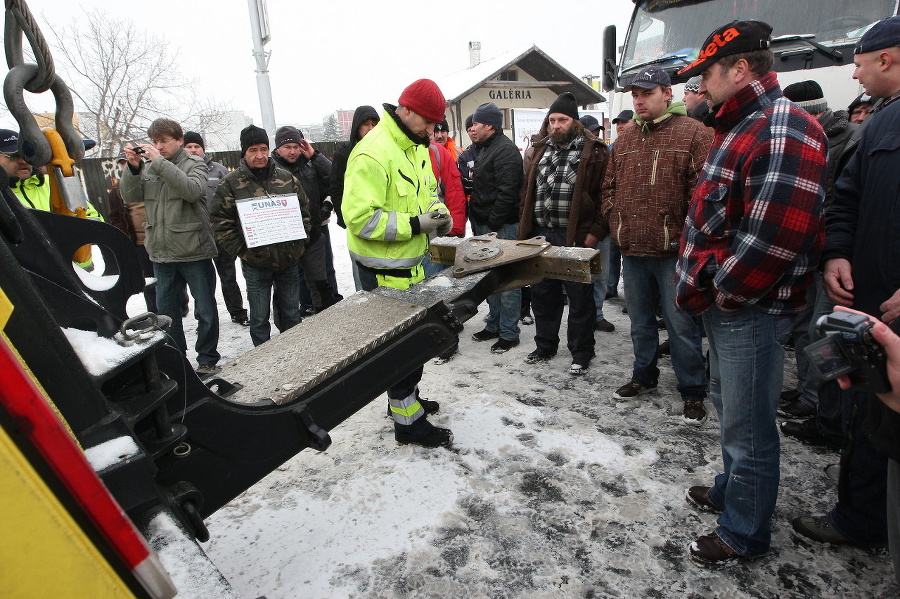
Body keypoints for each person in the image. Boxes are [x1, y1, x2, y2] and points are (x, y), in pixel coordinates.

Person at [675, 20, 827, 565]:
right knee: (731, 410)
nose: (699, 87)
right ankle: (731, 487)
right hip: (728, 308)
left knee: (750, 427)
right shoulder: (741, 126)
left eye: (706, 74)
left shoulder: (781, 126)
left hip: (748, 309)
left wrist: (724, 294)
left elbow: (776, 237)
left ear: (740, 69)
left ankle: (744, 530)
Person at [795, 15, 900, 553]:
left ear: (886, 59)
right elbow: (848, 195)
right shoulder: (880, 121)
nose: (853, 75)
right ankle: (861, 516)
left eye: (858, 64)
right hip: (867, 301)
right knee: (868, 413)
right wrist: (836, 252)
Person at [342, 79, 453, 448]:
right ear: (405, 110)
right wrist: (415, 224)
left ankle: (407, 403)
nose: (433, 131)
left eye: (437, 124)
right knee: (400, 354)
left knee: (413, 346)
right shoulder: (372, 153)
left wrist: (438, 214)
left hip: (411, 267)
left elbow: (427, 193)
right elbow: (360, 219)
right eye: (429, 122)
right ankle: (409, 425)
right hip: (383, 276)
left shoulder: (415, 146)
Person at [601, 65, 711, 426]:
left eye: (646, 93)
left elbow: (704, 194)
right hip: (632, 249)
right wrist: (615, 218)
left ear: (668, 93)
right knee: (640, 322)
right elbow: (608, 187)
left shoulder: (693, 133)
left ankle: (693, 389)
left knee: (681, 326)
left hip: (673, 253)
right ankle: (643, 375)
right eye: (635, 94)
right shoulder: (627, 138)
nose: (638, 100)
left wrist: (682, 233)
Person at [777, 81, 862, 446]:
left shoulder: (844, 139)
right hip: (811, 249)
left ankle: (825, 412)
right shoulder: (817, 136)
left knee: (824, 331)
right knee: (804, 326)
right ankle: (808, 394)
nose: (855, 72)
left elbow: (836, 200)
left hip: (834, 253)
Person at [121, 118, 221, 374]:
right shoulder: (151, 168)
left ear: (179, 141)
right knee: (166, 313)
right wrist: (133, 168)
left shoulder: (194, 162)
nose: (159, 146)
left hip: (193, 249)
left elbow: (192, 191)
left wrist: (159, 162)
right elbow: (131, 197)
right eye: (155, 141)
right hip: (162, 253)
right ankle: (177, 360)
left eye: (164, 141)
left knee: (205, 309)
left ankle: (207, 358)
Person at [518, 93, 609, 375]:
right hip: (542, 236)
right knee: (543, 295)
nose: (556, 125)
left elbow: (606, 196)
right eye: (552, 120)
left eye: (563, 120)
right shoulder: (538, 150)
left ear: (575, 122)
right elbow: (527, 195)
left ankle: (581, 353)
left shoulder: (594, 152)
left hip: (576, 238)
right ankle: (545, 345)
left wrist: (594, 234)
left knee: (580, 299)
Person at [210, 125, 310, 347]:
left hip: (288, 261)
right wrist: (243, 252)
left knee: (292, 314)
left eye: (264, 149)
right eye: (253, 150)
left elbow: (304, 212)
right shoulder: (231, 183)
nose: (260, 155)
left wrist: (298, 246)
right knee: (258, 318)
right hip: (255, 263)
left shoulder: (286, 178)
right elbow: (220, 221)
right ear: (244, 152)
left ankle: (294, 354)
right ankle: (262, 357)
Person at [468, 102, 524, 354]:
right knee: (489, 279)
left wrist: (492, 223)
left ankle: (509, 332)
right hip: (486, 226)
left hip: (501, 227)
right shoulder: (487, 148)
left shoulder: (505, 151)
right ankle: (494, 324)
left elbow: (508, 192)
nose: (472, 128)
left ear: (489, 125)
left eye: (476, 123)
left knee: (507, 281)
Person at [183, 131, 250, 327]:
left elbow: (234, 200)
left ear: (203, 148)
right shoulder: (179, 172)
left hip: (221, 235)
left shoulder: (219, 170)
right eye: (189, 147)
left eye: (197, 146)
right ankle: (204, 319)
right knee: (201, 283)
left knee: (228, 276)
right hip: (196, 237)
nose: (194, 150)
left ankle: (238, 312)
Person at [272, 126, 337, 313]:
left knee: (321, 280)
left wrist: (314, 155)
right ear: (278, 149)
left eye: (296, 146)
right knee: (292, 281)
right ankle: (297, 315)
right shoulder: (272, 170)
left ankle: (325, 312)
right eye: (287, 147)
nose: (292, 151)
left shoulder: (310, 164)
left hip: (314, 234)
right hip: (287, 238)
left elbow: (333, 178)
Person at [330, 105, 379, 292]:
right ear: (357, 127)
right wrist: (344, 219)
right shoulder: (344, 153)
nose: (371, 128)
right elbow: (335, 188)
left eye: (374, 124)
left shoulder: (384, 150)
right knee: (361, 271)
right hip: (357, 223)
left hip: (382, 221)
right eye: (366, 124)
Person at [579, 115, 614, 334]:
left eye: (597, 131)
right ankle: (584, 315)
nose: (596, 135)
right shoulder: (575, 158)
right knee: (582, 276)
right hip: (579, 228)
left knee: (601, 274)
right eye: (591, 131)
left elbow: (609, 194)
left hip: (601, 227)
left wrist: (599, 229)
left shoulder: (606, 155)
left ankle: (597, 314)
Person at [605, 110, 634, 302]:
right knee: (613, 253)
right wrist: (609, 209)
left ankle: (634, 298)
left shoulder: (637, 145)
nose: (619, 126)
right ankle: (611, 287)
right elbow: (607, 182)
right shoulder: (613, 148)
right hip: (617, 213)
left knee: (630, 259)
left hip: (634, 216)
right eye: (617, 123)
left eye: (624, 122)